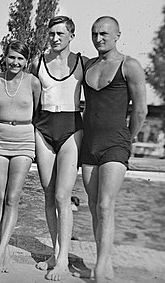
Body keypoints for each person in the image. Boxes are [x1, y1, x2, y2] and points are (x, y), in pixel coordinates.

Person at [77, 16, 147, 283]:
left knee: (106, 204)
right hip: (89, 145)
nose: (99, 38)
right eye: (94, 33)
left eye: (104, 33)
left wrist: (128, 138)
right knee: (94, 206)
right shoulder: (89, 66)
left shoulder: (130, 66)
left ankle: (103, 265)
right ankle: (100, 257)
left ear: (118, 34)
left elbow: (141, 109)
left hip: (116, 144)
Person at [30, 16, 87, 281]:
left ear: (71, 36)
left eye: (60, 34)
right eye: (51, 33)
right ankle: (55, 252)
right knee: (48, 192)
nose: (54, 38)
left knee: (64, 197)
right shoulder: (38, 62)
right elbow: (28, 96)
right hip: (43, 127)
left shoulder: (82, 64)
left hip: (71, 127)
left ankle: (63, 260)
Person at [0, 40, 40, 274]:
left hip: (24, 139)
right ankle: (4, 249)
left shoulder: (33, 82)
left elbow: (37, 113)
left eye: (20, 58)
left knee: (13, 197)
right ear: (4, 57)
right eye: (11, 57)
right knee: (0, 196)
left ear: (26, 61)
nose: (15, 62)